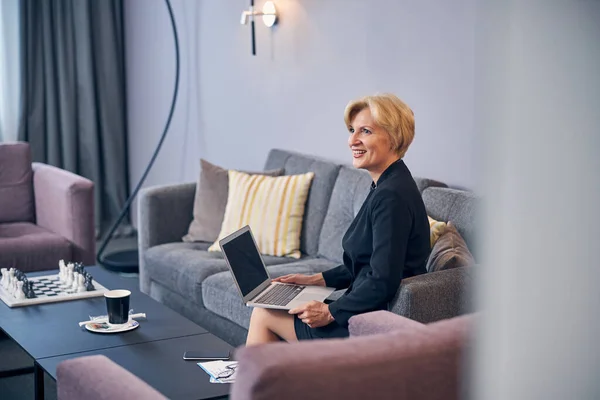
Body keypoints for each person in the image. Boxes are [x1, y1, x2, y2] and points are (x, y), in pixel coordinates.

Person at [245, 93, 431, 345]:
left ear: (393, 137)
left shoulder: (391, 196)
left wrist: (330, 312)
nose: (352, 140)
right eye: (352, 130)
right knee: (274, 309)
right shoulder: (387, 184)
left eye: (365, 131)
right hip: (365, 306)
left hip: (371, 320)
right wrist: (314, 280)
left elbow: (383, 281)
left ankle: (253, 382)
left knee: (264, 313)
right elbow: (369, 263)